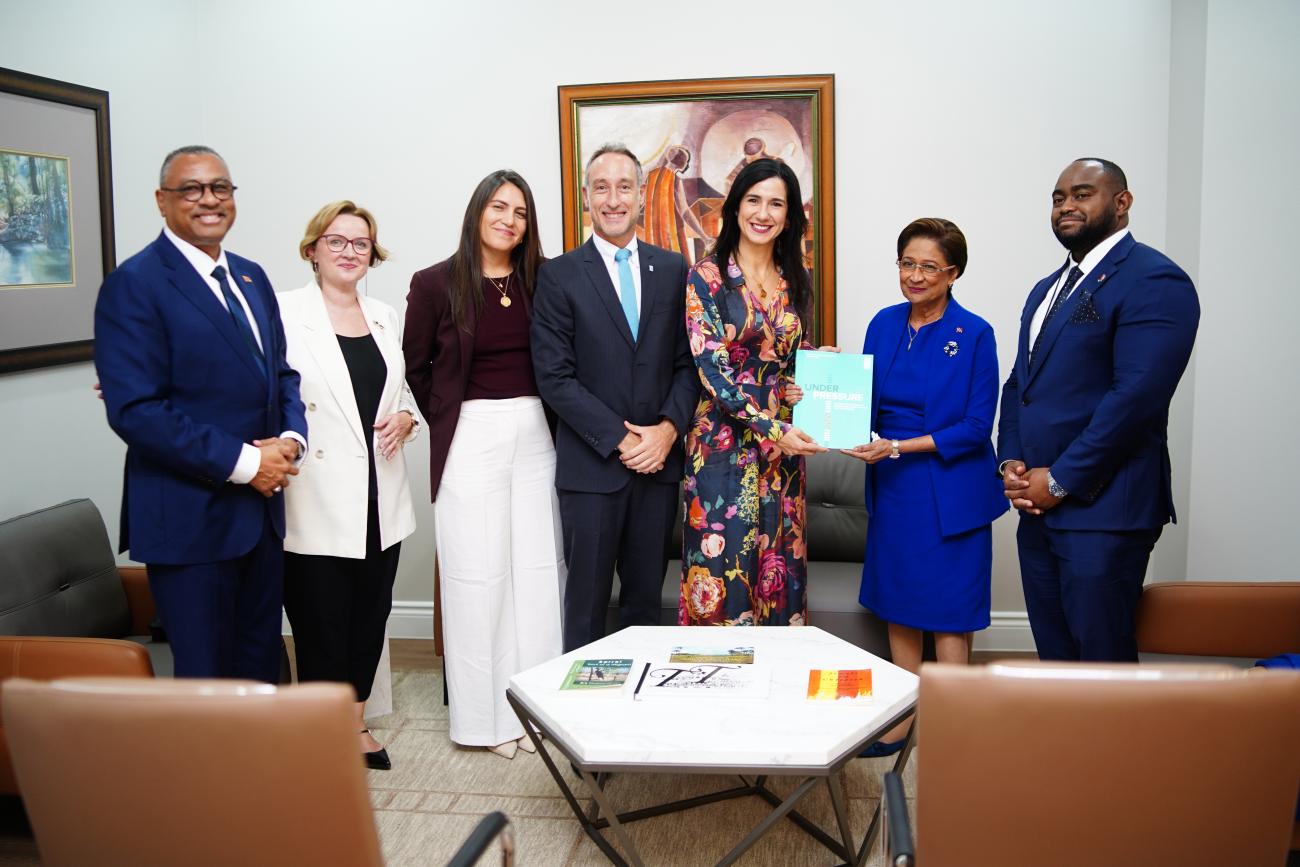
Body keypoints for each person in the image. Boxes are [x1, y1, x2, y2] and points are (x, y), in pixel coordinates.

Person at [94, 145, 305, 682]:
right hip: (189, 520)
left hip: (261, 520)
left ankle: (260, 769)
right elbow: (136, 410)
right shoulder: (134, 284)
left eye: (220, 188)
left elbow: (280, 375)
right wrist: (246, 463)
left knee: (260, 665)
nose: (208, 200)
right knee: (207, 681)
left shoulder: (252, 278)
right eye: (191, 190)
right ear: (163, 202)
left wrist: (290, 440)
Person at [998, 158, 1200, 662]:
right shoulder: (1045, 289)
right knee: (1056, 658)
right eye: (1058, 197)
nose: (1066, 205)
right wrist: (1012, 463)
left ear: (1122, 203)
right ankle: (1065, 745)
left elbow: (1134, 401)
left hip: (1105, 511)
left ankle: (1118, 747)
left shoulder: (1155, 280)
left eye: (1082, 194)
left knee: (1102, 663)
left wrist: (1060, 480)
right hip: (1037, 507)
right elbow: (1020, 385)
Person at [404, 170, 563, 760]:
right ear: (477, 212)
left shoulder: (543, 281)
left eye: (520, 213)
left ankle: (537, 712)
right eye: (499, 208)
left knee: (538, 574)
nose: (509, 221)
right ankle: (486, 720)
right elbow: (415, 368)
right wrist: (451, 416)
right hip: (469, 435)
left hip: (536, 436)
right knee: (478, 578)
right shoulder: (434, 283)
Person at [844, 218, 1008, 755]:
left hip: (951, 489)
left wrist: (898, 447)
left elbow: (975, 428)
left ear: (952, 273)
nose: (914, 276)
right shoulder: (883, 324)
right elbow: (860, 403)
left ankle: (952, 724)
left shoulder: (976, 333)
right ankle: (900, 718)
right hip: (895, 489)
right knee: (900, 604)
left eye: (928, 267)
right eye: (906, 263)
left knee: (950, 611)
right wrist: (819, 389)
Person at [531, 144, 698, 652]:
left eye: (624, 186)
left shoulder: (674, 270)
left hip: (658, 467)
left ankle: (640, 713)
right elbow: (555, 377)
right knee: (585, 604)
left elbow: (690, 364)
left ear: (642, 194)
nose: (613, 198)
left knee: (645, 602)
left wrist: (667, 432)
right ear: (587, 196)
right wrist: (622, 441)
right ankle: (580, 722)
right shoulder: (558, 275)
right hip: (592, 469)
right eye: (601, 187)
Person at [278, 201, 417, 771]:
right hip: (314, 496)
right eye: (336, 241)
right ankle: (323, 731)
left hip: (380, 495)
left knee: (369, 615)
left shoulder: (384, 315)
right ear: (313, 249)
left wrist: (409, 419)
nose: (348, 252)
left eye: (360, 244)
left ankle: (354, 723)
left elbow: (401, 393)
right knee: (320, 622)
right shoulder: (283, 314)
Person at [679, 158, 827, 627]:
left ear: (789, 215)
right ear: (736, 207)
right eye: (754, 200)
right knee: (723, 579)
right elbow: (714, 372)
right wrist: (772, 426)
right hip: (722, 448)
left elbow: (782, 364)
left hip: (783, 455)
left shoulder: (794, 275)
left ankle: (776, 695)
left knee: (781, 577)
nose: (764, 213)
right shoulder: (707, 276)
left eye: (776, 203)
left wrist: (810, 375)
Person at [642, 145, 707, 264]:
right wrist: (704, 236)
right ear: (682, 163)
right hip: (671, 238)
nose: (687, 164)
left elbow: (641, 202)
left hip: (651, 240)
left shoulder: (650, 176)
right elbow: (685, 212)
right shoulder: (675, 180)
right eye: (686, 161)